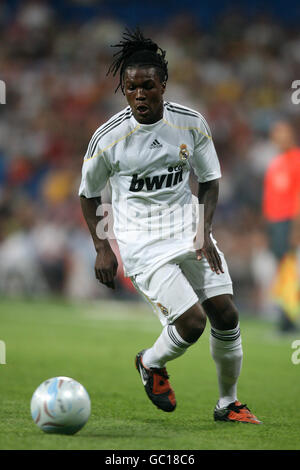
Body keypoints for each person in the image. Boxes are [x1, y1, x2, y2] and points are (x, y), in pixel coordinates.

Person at [79, 28, 261, 423]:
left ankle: (228, 403)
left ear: (163, 84)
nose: (140, 95)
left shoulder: (190, 124)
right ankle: (150, 362)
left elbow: (210, 179)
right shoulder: (108, 139)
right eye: (131, 88)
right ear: (123, 90)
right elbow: (87, 194)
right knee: (192, 323)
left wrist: (203, 230)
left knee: (227, 315)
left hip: (187, 231)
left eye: (148, 86)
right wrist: (103, 248)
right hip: (142, 244)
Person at [263, 120, 300, 332]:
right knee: (281, 269)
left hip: (289, 222)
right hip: (275, 223)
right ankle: (285, 316)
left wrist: (296, 229)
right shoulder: (275, 162)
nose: (279, 137)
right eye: (276, 134)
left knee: (288, 270)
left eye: (283, 133)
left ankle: (288, 318)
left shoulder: (296, 160)